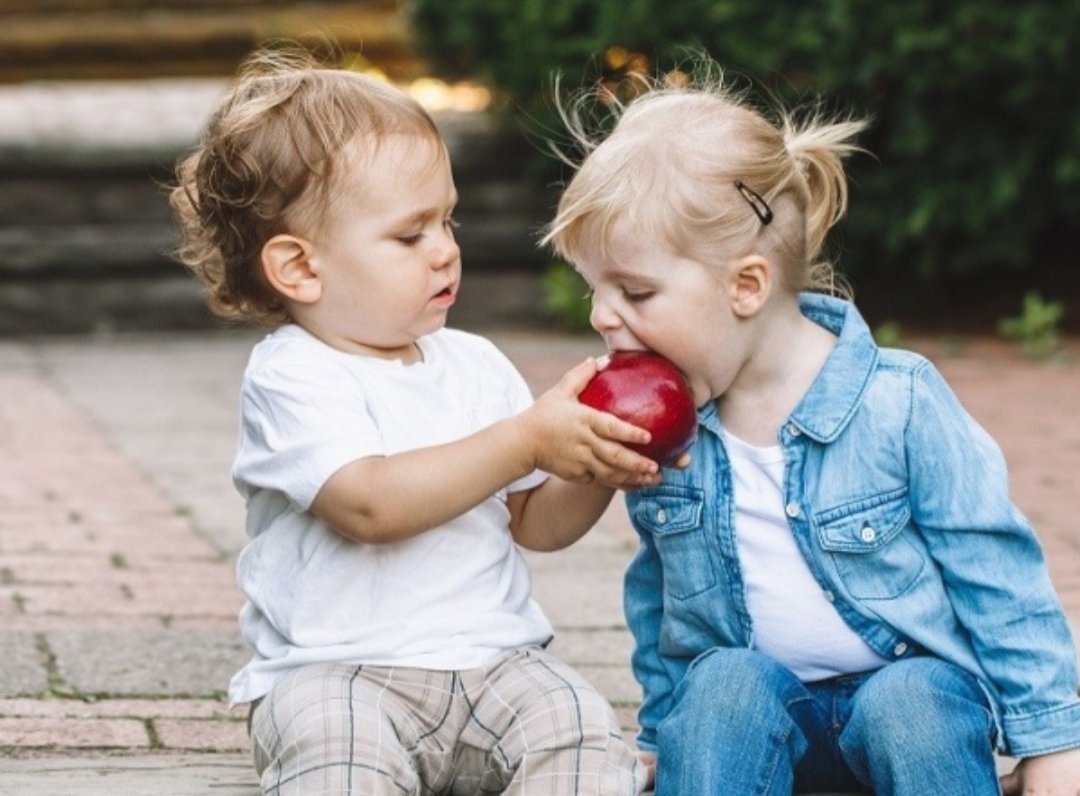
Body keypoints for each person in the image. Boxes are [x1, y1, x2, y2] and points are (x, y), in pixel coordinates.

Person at [543, 62, 1080, 795]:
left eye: (634, 291)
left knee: (914, 699)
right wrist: (666, 736)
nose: (602, 316)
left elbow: (996, 572)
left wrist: (1053, 740)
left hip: (904, 699)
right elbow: (663, 605)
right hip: (764, 715)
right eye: (594, 290)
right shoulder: (673, 432)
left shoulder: (899, 400)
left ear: (747, 285)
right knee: (721, 686)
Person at [169, 48, 654, 795]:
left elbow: (534, 524)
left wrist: (592, 463)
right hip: (338, 673)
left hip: (498, 664)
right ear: (300, 268)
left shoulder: (473, 363)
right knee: (336, 757)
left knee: (585, 736)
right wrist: (525, 437)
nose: (447, 250)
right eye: (410, 235)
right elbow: (369, 504)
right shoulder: (294, 374)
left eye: (447, 221)